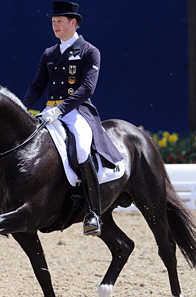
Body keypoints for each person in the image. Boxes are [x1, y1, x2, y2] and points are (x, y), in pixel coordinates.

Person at [21, 1, 123, 236]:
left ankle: (94, 213)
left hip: (77, 112)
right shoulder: (49, 53)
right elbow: (37, 86)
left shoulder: (89, 51)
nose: (55, 26)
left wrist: (61, 109)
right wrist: (22, 107)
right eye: (53, 22)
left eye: (59, 22)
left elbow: (87, 88)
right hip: (49, 111)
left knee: (81, 148)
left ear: (73, 23)